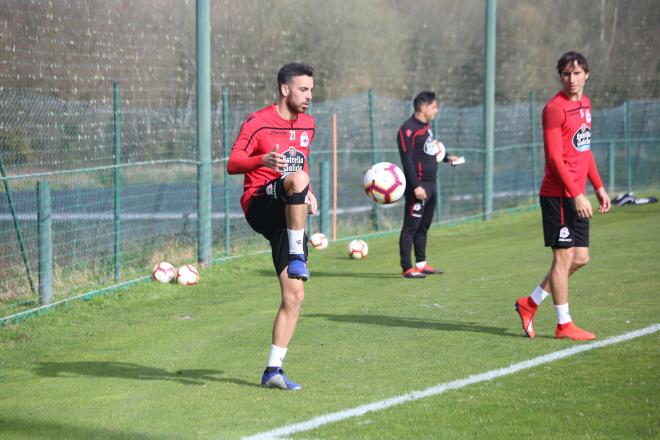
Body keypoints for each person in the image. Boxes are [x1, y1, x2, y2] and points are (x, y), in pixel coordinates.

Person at [227, 63, 317, 390]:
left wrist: (308, 191)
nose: (309, 96)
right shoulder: (258, 121)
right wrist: (261, 161)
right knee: (296, 179)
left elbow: (300, 164)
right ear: (284, 89)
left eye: (311, 89)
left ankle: (273, 371)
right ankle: (298, 254)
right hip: (260, 202)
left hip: (288, 209)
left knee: (295, 296)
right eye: (303, 89)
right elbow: (232, 163)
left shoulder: (308, 125)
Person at [515, 51, 611, 340]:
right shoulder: (554, 109)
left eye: (577, 72)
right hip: (558, 195)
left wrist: (598, 186)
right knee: (562, 258)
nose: (572, 79)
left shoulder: (585, 105)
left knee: (580, 258)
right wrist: (577, 194)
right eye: (566, 74)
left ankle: (529, 302)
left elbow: (584, 149)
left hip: (577, 193)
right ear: (560, 76)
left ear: (586, 74)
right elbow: (555, 159)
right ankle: (563, 324)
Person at [397, 91, 461, 279]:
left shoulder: (425, 128)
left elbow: (428, 151)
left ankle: (421, 264)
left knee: (424, 226)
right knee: (411, 226)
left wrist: (447, 157)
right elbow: (407, 159)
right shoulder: (407, 129)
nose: (436, 110)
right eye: (434, 106)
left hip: (431, 184)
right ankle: (407, 267)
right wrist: (416, 185)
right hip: (418, 186)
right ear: (423, 107)